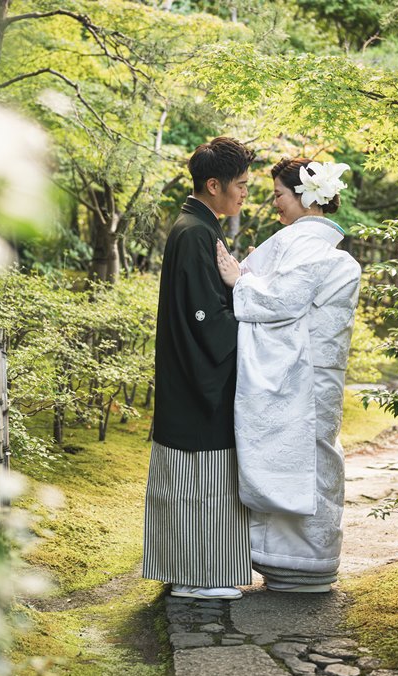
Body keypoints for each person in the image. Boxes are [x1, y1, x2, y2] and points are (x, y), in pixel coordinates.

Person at [215, 157, 361, 592]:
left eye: (278, 194)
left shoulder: (306, 245)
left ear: (304, 196)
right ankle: (305, 560)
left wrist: (240, 280)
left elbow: (281, 301)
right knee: (314, 455)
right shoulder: (313, 245)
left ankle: (300, 562)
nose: (274, 202)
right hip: (317, 372)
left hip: (305, 375)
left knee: (307, 455)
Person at [142, 136, 256, 600]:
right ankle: (199, 576)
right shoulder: (195, 233)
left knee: (194, 482)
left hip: (190, 375)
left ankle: (190, 571)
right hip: (197, 379)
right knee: (201, 480)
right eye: (240, 184)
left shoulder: (197, 227)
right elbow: (205, 317)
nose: (244, 193)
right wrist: (253, 320)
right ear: (214, 185)